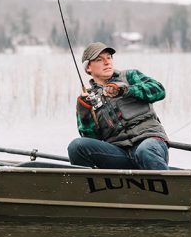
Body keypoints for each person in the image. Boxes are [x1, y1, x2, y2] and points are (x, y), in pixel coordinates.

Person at [67, 42, 169, 170]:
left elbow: (159, 90)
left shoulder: (130, 76)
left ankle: (173, 188)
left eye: (109, 58)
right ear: (88, 68)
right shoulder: (87, 99)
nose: (107, 62)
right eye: (99, 60)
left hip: (150, 143)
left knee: (144, 151)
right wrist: (84, 111)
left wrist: (127, 90)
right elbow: (91, 138)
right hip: (119, 154)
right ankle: (91, 188)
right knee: (76, 146)